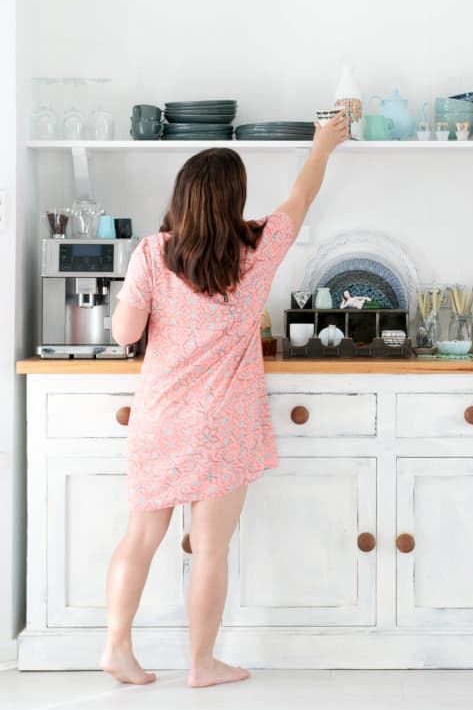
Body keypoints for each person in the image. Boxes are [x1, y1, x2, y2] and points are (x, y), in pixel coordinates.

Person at [100, 110, 349, 688]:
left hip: (159, 421)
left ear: (183, 196)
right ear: (234, 198)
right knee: (209, 551)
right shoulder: (258, 248)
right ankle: (201, 663)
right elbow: (303, 193)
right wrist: (323, 144)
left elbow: (124, 335)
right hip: (223, 426)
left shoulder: (152, 253)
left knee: (139, 537)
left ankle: (117, 649)